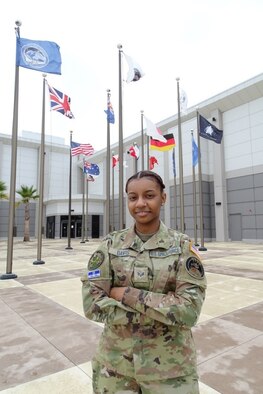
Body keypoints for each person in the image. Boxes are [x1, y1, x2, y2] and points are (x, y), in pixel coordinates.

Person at [81, 170, 207, 394]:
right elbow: (92, 305)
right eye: (133, 197)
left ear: (163, 198)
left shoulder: (182, 248)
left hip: (171, 371)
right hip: (115, 367)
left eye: (149, 195)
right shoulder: (111, 245)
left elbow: (188, 311)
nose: (140, 203)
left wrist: (124, 294)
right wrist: (160, 309)